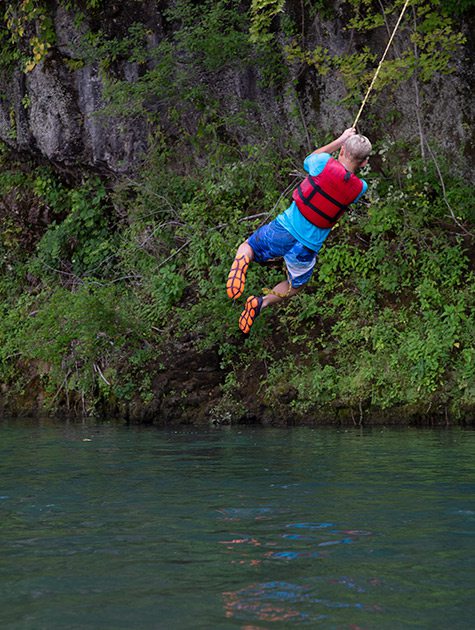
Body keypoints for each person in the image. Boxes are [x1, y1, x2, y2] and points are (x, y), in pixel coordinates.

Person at [226, 127, 371, 334]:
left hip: (285, 228)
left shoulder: (322, 163)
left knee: (248, 246)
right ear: (364, 163)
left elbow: (310, 158)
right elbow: (343, 178)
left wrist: (340, 140)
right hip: (306, 247)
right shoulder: (360, 188)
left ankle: (241, 265)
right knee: (296, 285)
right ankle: (261, 303)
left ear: (341, 151)